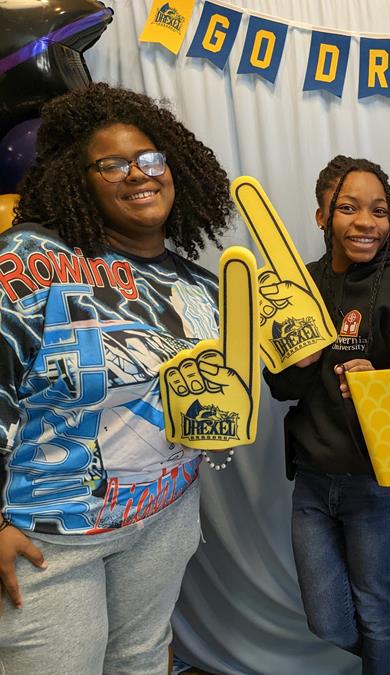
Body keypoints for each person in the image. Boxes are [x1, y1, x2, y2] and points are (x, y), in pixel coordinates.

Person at [0, 82, 232, 673]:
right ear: (79, 179)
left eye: (151, 159)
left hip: (163, 519)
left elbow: (212, 397)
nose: (139, 174)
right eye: (113, 164)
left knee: (141, 661)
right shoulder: (31, 261)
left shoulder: (200, 287)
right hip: (49, 539)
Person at [263, 155, 390, 675]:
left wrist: (380, 386)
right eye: (348, 208)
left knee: (376, 611)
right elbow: (282, 388)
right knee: (328, 621)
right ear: (322, 217)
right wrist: (303, 363)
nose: (367, 222)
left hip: (380, 483)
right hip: (314, 482)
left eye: (379, 210)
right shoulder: (297, 288)